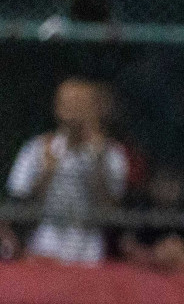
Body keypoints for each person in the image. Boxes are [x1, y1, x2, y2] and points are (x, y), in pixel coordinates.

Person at [6, 78, 128, 264]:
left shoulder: (111, 154)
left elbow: (112, 210)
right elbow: (18, 202)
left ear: (94, 108)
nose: (73, 110)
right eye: (68, 103)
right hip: (45, 247)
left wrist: (97, 162)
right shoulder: (37, 148)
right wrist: (47, 173)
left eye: (80, 103)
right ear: (57, 107)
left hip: (90, 251)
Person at [118, 164, 184, 270]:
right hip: (146, 271)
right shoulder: (141, 210)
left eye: (172, 184)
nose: (166, 189)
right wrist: (153, 256)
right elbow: (128, 244)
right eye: (162, 183)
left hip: (183, 272)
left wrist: (178, 254)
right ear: (151, 186)